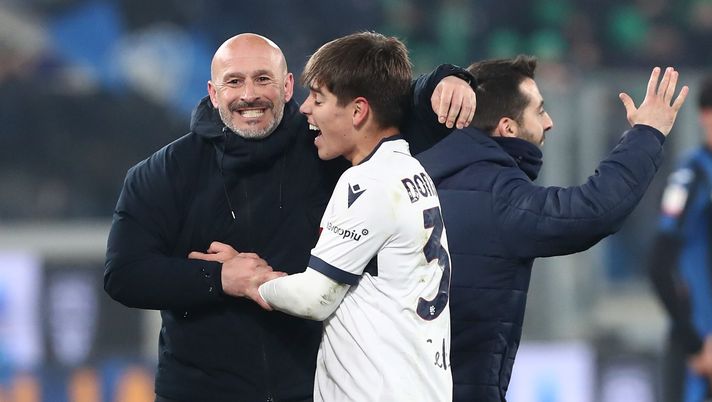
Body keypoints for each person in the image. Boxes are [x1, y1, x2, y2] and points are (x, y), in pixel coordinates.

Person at [103, 32, 474, 402]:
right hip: (198, 392)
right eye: (234, 81)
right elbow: (125, 274)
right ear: (214, 93)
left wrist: (443, 81)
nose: (249, 94)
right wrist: (219, 278)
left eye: (263, 79)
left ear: (286, 86)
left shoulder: (326, 143)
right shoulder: (162, 173)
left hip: (308, 388)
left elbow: (383, 99)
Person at [416, 55, 688, 402]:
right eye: (539, 110)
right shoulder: (497, 197)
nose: (550, 122)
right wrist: (647, 134)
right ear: (508, 127)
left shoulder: (419, 177)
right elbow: (592, 210)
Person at [254, 31, 453, 402]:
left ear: (359, 111)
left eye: (318, 98)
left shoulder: (368, 180)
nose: (306, 110)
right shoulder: (413, 172)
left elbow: (315, 297)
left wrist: (253, 281)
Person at [648, 76, 712, 402]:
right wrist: (695, 343)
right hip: (700, 356)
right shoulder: (692, 177)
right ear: (705, 115)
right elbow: (659, 265)